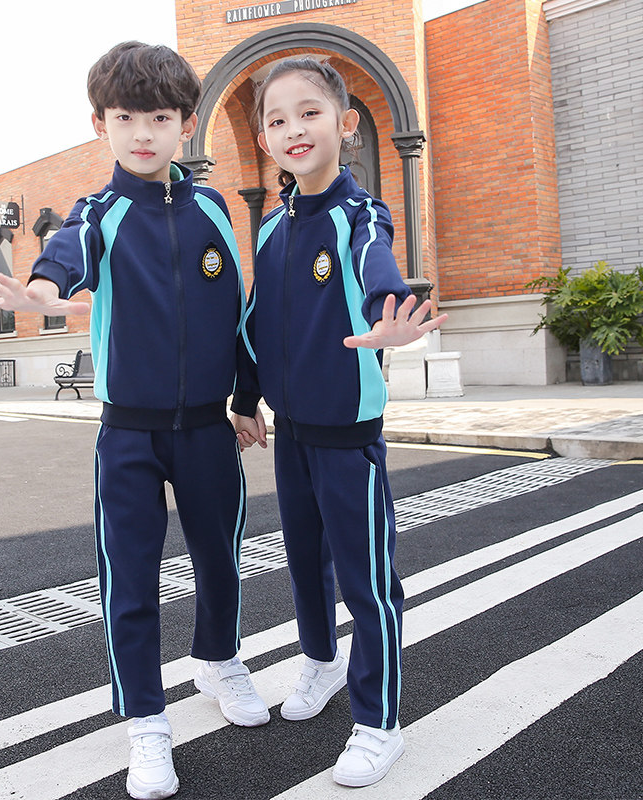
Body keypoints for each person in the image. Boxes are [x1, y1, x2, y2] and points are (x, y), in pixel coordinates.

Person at [0, 41, 269, 800]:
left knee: (221, 558)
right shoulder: (99, 212)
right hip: (128, 434)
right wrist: (42, 288)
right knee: (129, 579)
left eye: (159, 118)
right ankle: (146, 721)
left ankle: (219, 661)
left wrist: (244, 400)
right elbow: (69, 251)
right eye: (126, 118)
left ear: (187, 123)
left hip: (207, 430)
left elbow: (236, 312)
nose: (143, 133)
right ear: (100, 123)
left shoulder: (212, 207)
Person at [231, 57, 447, 788]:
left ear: (345, 124)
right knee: (304, 564)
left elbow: (375, 260)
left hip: (349, 436)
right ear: (265, 139)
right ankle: (320, 662)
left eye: (309, 112)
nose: (294, 129)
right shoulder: (270, 227)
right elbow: (257, 322)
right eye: (277, 119)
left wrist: (390, 311)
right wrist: (244, 399)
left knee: (367, 581)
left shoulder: (360, 213)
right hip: (290, 431)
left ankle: (379, 723)